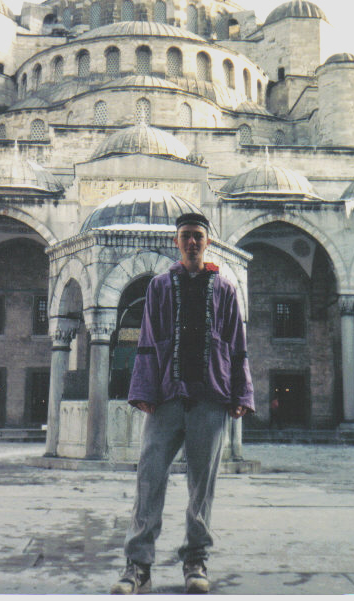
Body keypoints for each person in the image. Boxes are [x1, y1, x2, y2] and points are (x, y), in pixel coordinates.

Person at [111, 212, 254, 595]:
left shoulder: (225, 288)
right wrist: (143, 391)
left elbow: (237, 344)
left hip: (211, 397)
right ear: (177, 242)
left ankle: (195, 560)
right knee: (149, 477)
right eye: (186, 236)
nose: (192, 242)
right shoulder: (160, 286)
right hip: (167, 397)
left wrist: (242, 393)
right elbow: (147, 338)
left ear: (208, 241)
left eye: (198, 236)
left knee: (201, 486)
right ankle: (138, 565)